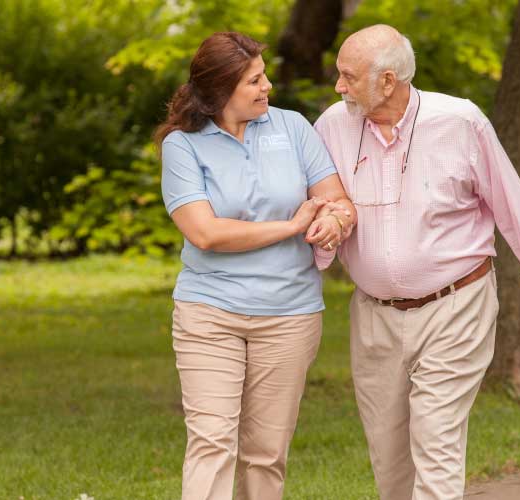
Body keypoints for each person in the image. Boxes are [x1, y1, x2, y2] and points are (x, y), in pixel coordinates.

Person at [311, 25, 520, 499]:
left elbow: (511, 203)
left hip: (455, 306)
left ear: (389, 80)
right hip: (375, 315)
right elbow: (316, 202)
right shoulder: (333, 125)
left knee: (436, 441)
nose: (339, 87)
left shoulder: (460, 122)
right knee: (390, 457)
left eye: (349, 77)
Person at [156, 32, 357, 500]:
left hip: (289, 315)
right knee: (211, 441)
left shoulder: (292, 128)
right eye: (254, 79)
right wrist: (289, 228)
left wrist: (333, 219)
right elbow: (206, 233)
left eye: (264, 75)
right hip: (210, 313)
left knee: (266, 452)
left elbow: (336, 200)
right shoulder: (182, 147)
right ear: (221, 90)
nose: (267, 86)